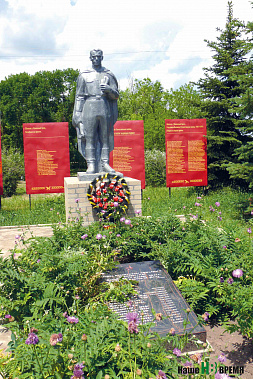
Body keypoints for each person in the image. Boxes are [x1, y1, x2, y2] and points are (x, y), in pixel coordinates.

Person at [72, 49, 119, 174]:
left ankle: (105, 164)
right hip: (89, 107)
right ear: (90, 58)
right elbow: (79, 96)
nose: (96, 59)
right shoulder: (84, 75)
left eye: (99, 56)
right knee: (90, 137)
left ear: (102, 57)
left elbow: (116, 96)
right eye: (94, 57)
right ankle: (91, 164)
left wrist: (109, 90)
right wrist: (77, 116)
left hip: (104, 106)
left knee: (105, 137)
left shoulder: (108, 75)